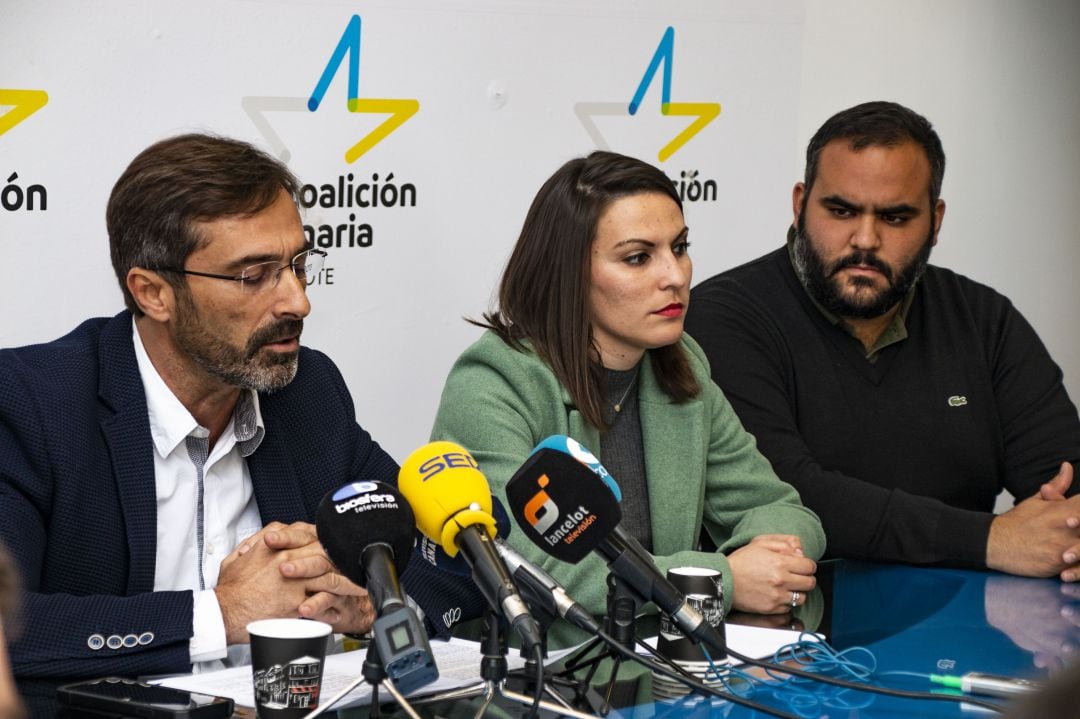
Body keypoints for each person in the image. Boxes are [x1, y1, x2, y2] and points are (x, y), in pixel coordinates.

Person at [0, 133, 464, 679]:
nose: (298, 300)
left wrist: (375, 601)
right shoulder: (34, 405)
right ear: (153, 293)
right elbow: (15, 626)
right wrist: (221, 614)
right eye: (253, 275)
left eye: (298, 263)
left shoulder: (307, 392)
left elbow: (452, 564)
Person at [430, 151, 825, 645]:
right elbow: (536, 568)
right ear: (568, 272)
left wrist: (770, 566)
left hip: (657, 665)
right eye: (638, 257)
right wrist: (721, 580)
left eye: (679, 247)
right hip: (537, 682)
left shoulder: (681, 365)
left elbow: (782, 510)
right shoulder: (494, 380)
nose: (676, 275)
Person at [684, 101, 1080, 579]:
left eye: (895, 217)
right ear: (799, 204)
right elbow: (782, 492)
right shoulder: (724, 317)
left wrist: (1066, 534)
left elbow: (1064, 475)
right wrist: (991, 539)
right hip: (786, 631)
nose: (865, 239)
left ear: (935, 221)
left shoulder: (984, 320)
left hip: (966, 627)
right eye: (842, 210)